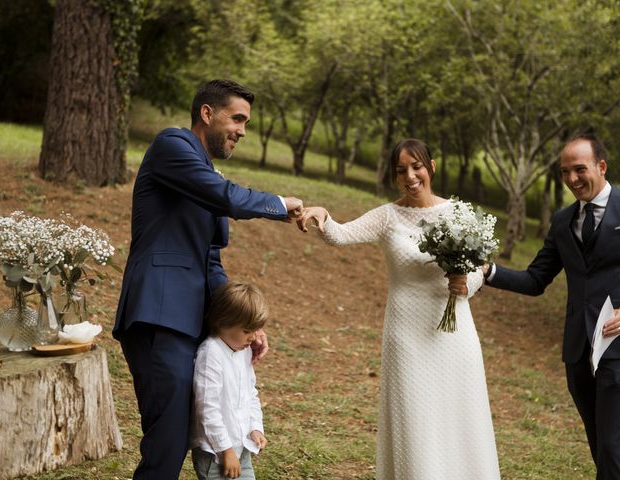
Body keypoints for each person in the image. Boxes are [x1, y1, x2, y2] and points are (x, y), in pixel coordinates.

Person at [113, 79, 302, 479]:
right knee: (168, 440)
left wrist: (243, 322)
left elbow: (210, 259)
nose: (242, 131)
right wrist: (279, 205)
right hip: (158, 314)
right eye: (237, 118)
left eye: (246, 123)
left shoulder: (206, 174)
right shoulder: (172, 147)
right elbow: (228, 197)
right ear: (207, 113)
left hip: (192, 321)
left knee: (184, 434)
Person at [298, 138, 500, 479]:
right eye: (401, 170)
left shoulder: (459, 214)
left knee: (459, 414)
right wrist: (322, 215)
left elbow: (478, 268)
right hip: (406, 335)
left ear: (431, 167)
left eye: (416, 166)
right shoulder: (387, 216)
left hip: (454, 333)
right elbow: (341, 234)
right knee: (415, 416)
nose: (410, 176)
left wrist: (467, 286)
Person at [483, 133, 620, 479]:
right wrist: (486, 272)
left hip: (617, 348)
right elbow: (535, 280)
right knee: (599, 444)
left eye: (580, 169)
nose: (572, 179)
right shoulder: (562, 222)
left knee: (613, 447)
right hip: (577, 353)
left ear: (601, 167)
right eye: (564, 172)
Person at [191, 281, 269, 480]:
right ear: (223, 322)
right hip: (216, 454)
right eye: (246, 331)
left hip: (240, 448)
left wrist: (255, 427)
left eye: (255, 330)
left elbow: (250, 393)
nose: (253, 338)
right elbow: (207, 408)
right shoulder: (211, 353)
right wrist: (225, 450)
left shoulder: (242, 349)